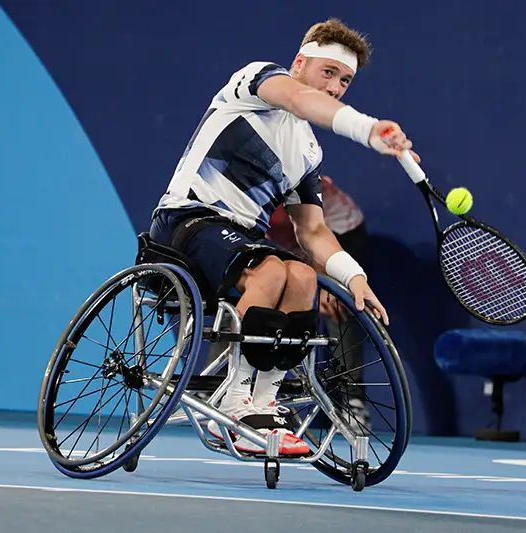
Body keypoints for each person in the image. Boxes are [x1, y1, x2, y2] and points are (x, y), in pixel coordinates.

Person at [149, 18, 418, 456]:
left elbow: (312, 231)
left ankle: (263, 402)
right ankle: (234, 401)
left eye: (345, 80)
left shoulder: (307, 151)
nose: (334, 87)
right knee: (272, 270)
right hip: (186, 222)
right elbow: (299, 98)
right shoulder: (256, 82)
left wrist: (354, 278)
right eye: (327, 72)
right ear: (299, 62)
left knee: (304, 278)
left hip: (240, 242)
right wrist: (368, 130)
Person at [267, 176, 372, 431]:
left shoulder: (300, 182)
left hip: (339, 234)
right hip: (290, 236)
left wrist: (326, 281)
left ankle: (352, 398)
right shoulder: (254, 185)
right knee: (260, 292)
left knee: (337, 305)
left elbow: (315, 235)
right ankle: (218, 384)